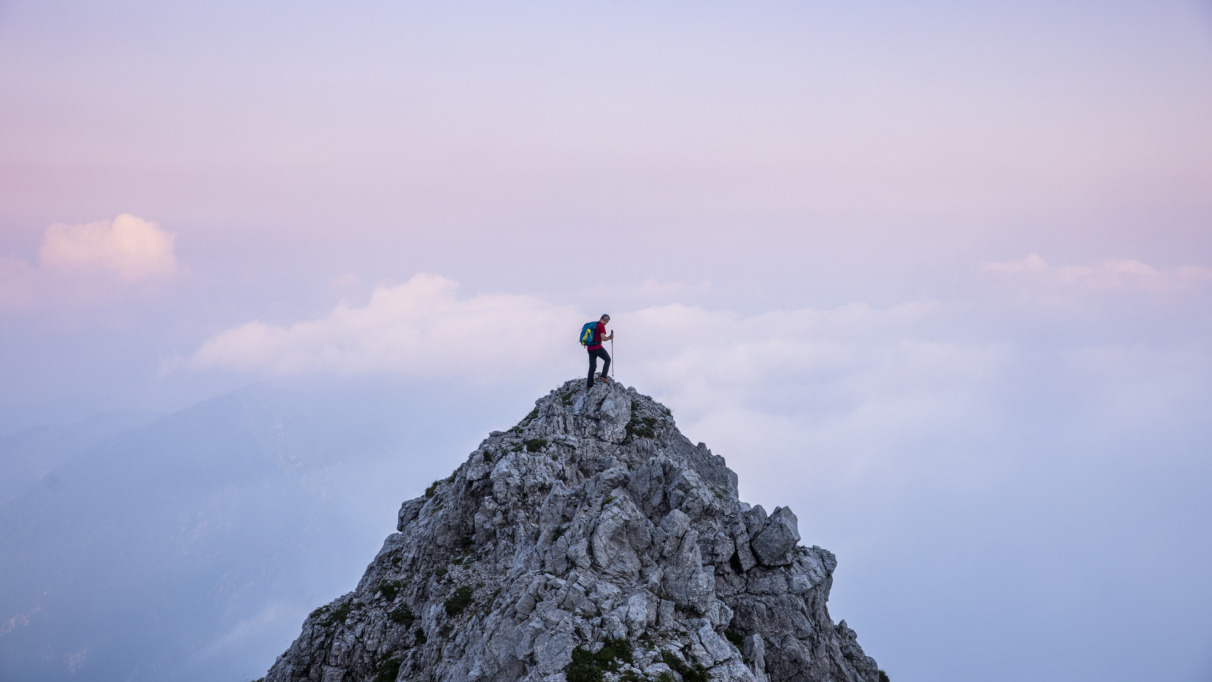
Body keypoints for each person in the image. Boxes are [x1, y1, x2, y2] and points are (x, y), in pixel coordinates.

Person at [586, 314, 613, 389]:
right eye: (607, 321)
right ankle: (603, 377)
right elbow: (603, 338)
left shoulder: (594, 325)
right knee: (608, 359)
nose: (607, 323)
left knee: (592, 366)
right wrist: (610, 337)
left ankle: (589, 385)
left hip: (590, 348)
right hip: (597, 347)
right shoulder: (601, 326)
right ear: (605, 319)